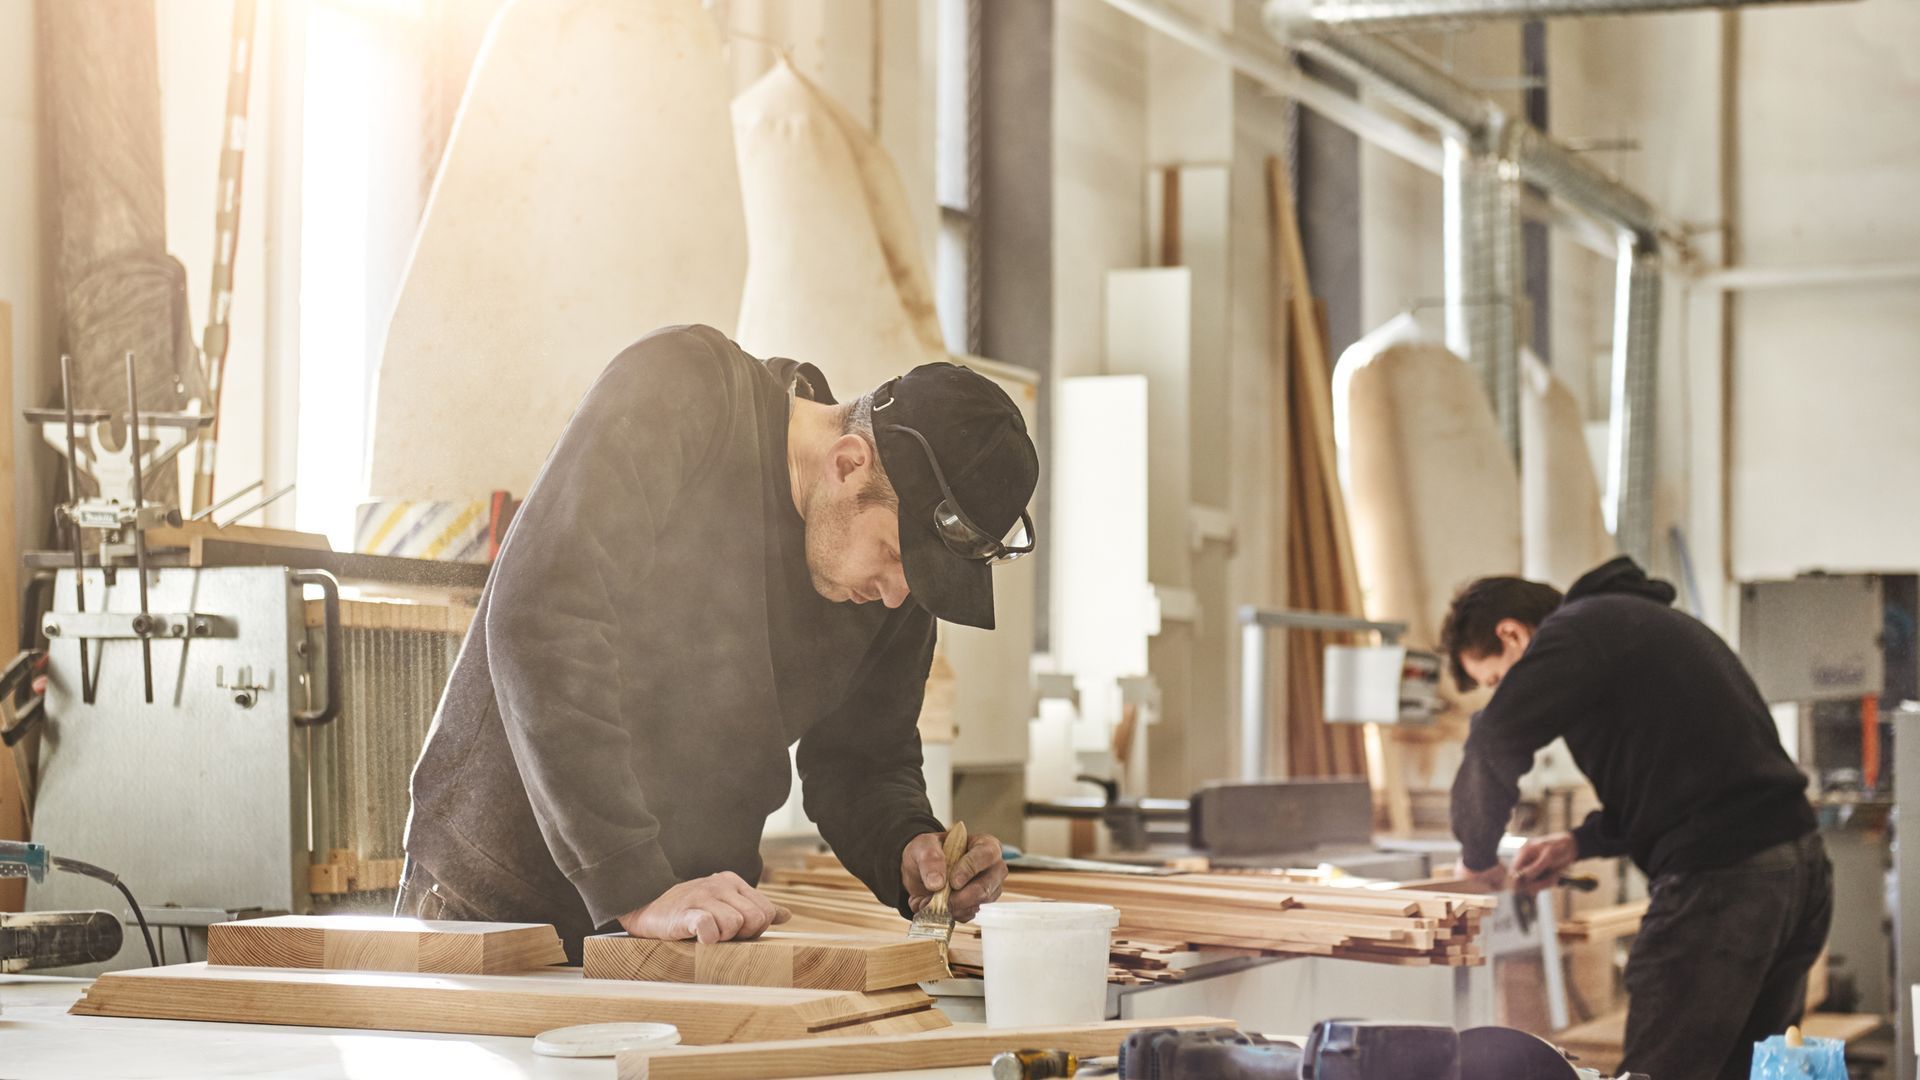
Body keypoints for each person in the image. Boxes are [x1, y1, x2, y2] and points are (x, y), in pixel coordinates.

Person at [396, 324, 1037, 959]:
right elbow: (544, 620)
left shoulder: (892, 585)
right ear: (848, 463)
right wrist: (636, 886)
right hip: (498, 902)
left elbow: (864, 760)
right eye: (893, 556)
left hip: (689, 921)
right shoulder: (684, 394)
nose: (898, 595)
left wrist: (908, 847)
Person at [1442, 557, 1832, 1080]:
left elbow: (1494, 739)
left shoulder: (1574, 632)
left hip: (1723, 882)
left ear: (1511, 634)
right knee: (1749, 1071)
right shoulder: (1639, 625)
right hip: (1796, 868)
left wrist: (1477, 858)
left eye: (1494, 679)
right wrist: (1577, 844)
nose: (1502, 693)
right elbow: (1683, 780)